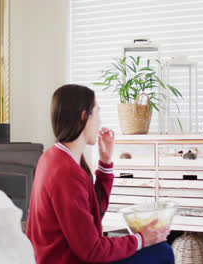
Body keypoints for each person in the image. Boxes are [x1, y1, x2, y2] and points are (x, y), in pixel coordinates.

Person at [26, 84, 174, 264]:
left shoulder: (54, 157)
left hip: (64, 257)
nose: (100, 121)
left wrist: (105, 161)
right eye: (97, 112)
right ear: (84, 116)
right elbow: (92, 251)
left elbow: (94, 213)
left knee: (156, 249)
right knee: (162, 252)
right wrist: (141, 239)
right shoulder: (66, 172)